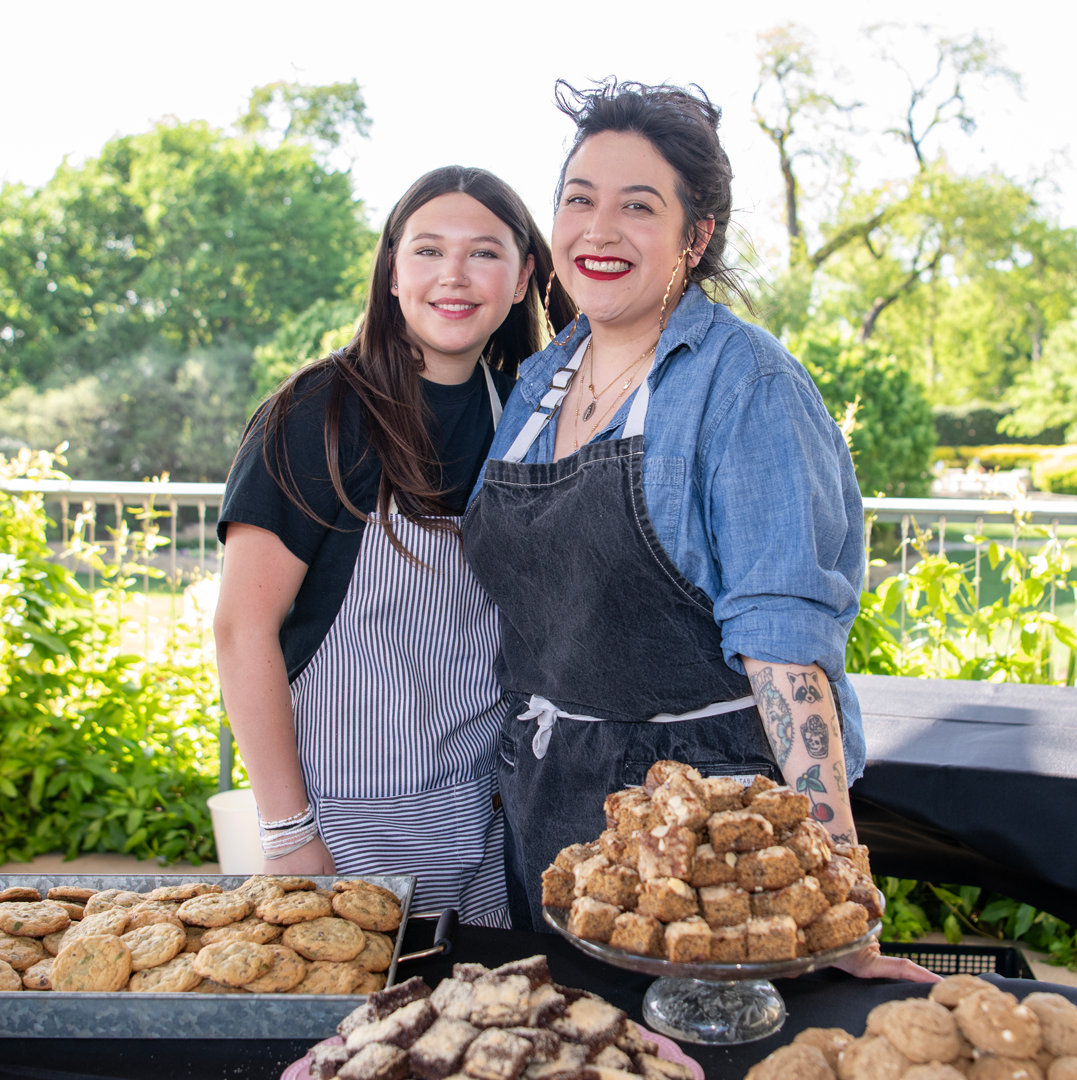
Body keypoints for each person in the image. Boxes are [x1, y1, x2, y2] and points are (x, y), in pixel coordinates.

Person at [462, 81, 934, 978]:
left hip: (715, 839)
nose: (599, 231)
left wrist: (834, 903)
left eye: (639, 207)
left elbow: (788, 658)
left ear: (696, 236)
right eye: (579, 199)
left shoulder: (746, 388)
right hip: (553, 814)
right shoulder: (537, 384)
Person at [213, 166, 572, 926]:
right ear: (391, 272)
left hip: (485, 819)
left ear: (522, 279)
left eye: (484, 253)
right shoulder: (317, 414)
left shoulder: (528, 415)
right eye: (427, 251)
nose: (454, 275)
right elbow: (242, 631)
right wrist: (288, 835)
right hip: (340, 831)